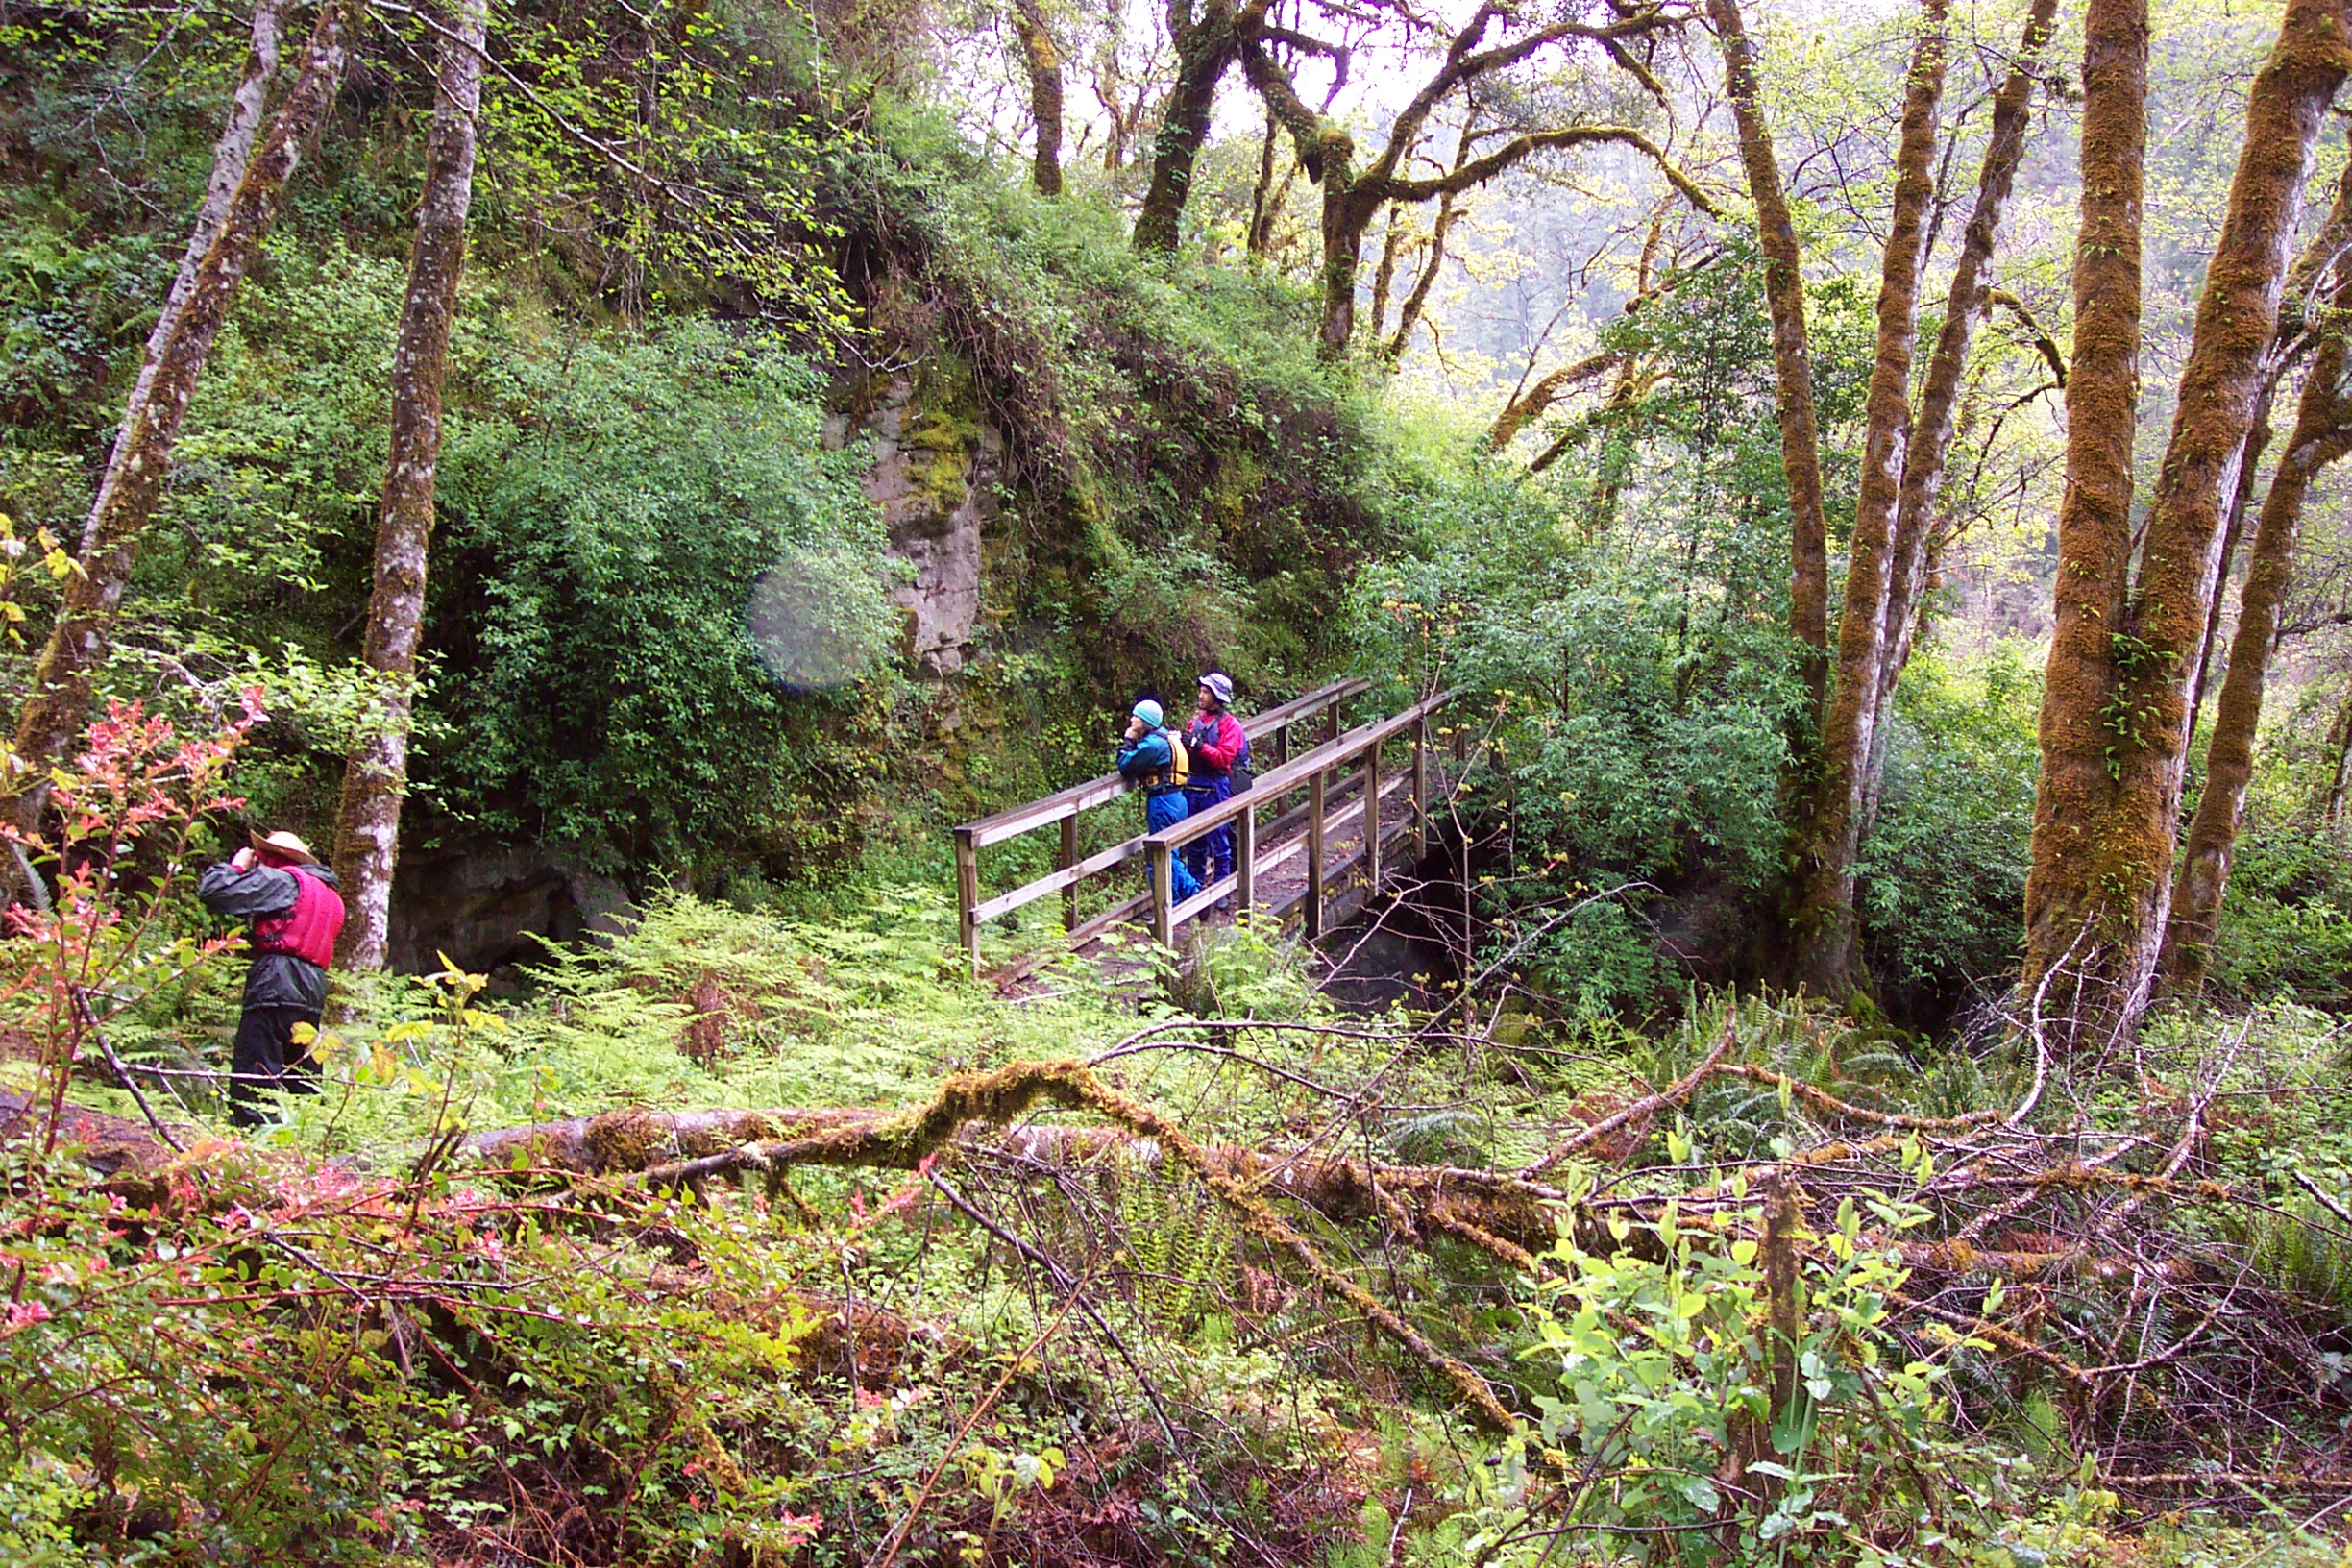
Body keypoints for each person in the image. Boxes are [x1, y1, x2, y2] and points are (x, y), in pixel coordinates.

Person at [198, 829, 346, 1127]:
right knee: (301, 1076)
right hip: (313, 989)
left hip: (276, 979)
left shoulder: (284, 880)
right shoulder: (331, 897)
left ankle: (250, 1141)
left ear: (274, 859)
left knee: (255, 1070)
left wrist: (237, 867)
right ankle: (306, 1143)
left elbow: (214, 891)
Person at [1115, 698, 1202, 906]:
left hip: (1163, 802)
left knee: (1159, 855)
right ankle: (1183, 896)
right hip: (1176, 799)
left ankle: (1180, 899)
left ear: (1145, 721)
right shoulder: (1166, 737)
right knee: (1169, 852)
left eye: (1136, 716)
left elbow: (1125, 764)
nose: (1131, 719)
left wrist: (1128, 741)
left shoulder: (1153, 744)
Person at [1182, 672, 1248, 891]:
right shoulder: (1195, 722)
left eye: (1206, 692)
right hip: (1193, 786)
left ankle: (1223, 889)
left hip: (1216, 786)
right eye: (1201, 691)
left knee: (1219, 841)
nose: (1201, 695)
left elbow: (1223, 759)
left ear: (1217, 697)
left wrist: (1199, 746)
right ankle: (1195, 889)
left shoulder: (1230, 725)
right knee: (1194, 844)